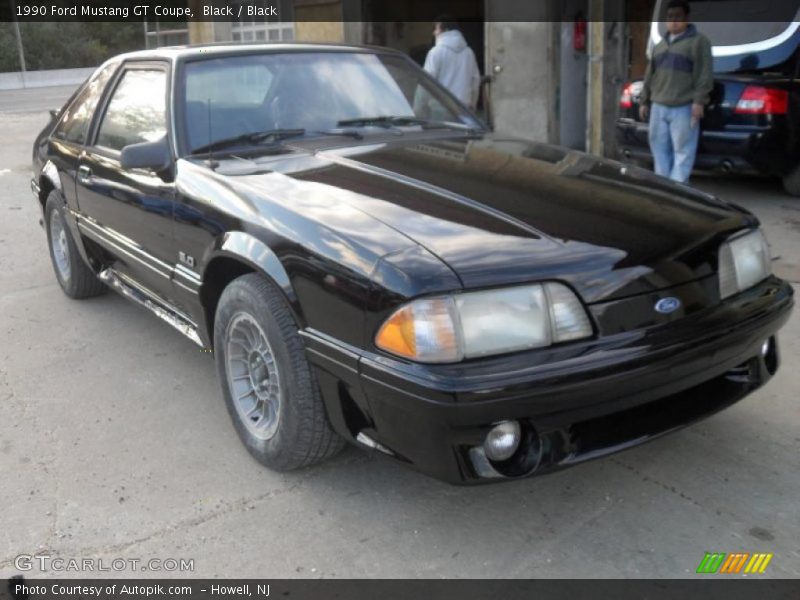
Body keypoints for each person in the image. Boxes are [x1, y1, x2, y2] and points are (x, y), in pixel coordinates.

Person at [639, 0, 713, 184]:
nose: (673, 21)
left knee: (683, 150)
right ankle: (664, 185)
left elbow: (704, 74)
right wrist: (643, 100)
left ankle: (679, 187)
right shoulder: (660, 45)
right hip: (658, 106)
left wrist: (699, 102)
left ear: (686, 18)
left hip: (684, 106)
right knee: (658, 148)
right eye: (670, 17)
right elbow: (650, 75)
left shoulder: (699, 42)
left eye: (678, 17)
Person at [422, 16, 481, 109]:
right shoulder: (469, 52)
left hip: (441, 107)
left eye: (436, 29)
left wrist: (421, 108)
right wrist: (473, 105)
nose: (434, 33)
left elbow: (427, 81)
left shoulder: (435, 52)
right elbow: (475, 80)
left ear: (446, 30)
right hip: (464, 108)